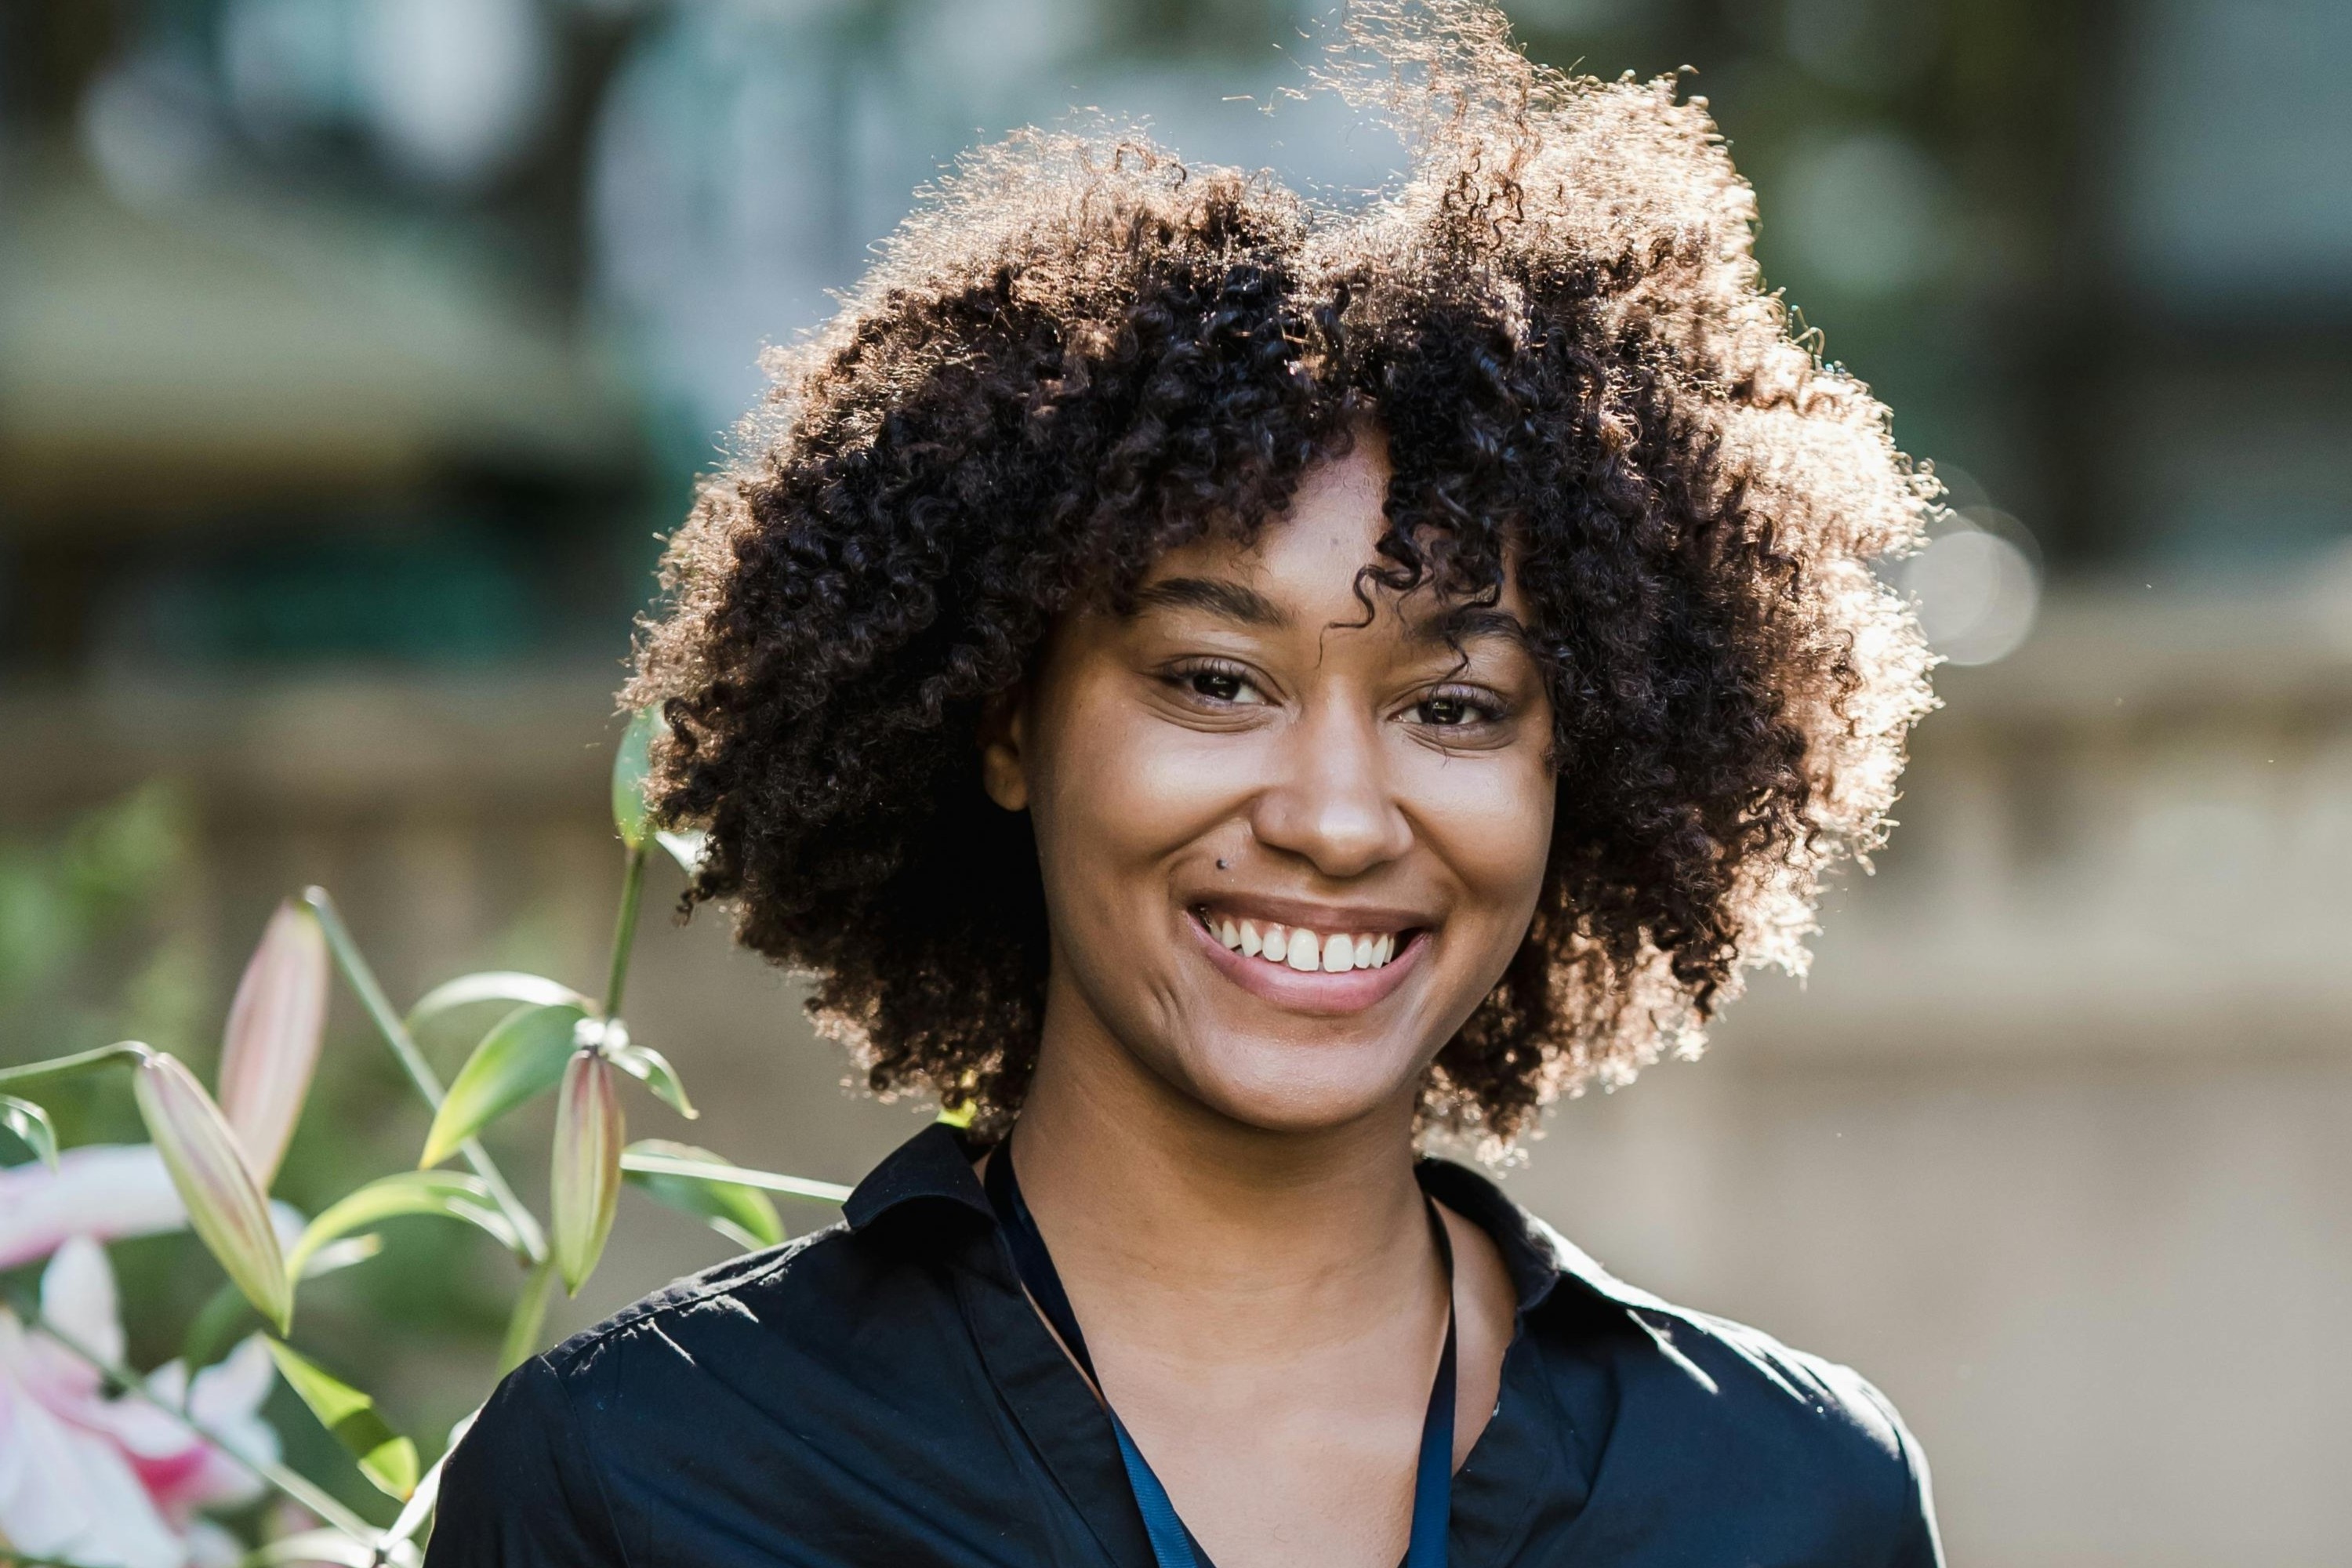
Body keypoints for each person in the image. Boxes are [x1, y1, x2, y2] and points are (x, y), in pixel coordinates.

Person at [427, 4, 1942, 1563]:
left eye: (1456, 705)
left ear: (1589, 762)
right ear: (1005, 721)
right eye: (1216, 681)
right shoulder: (641, 1487)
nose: (1336, 819)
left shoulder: (1786, 1497)